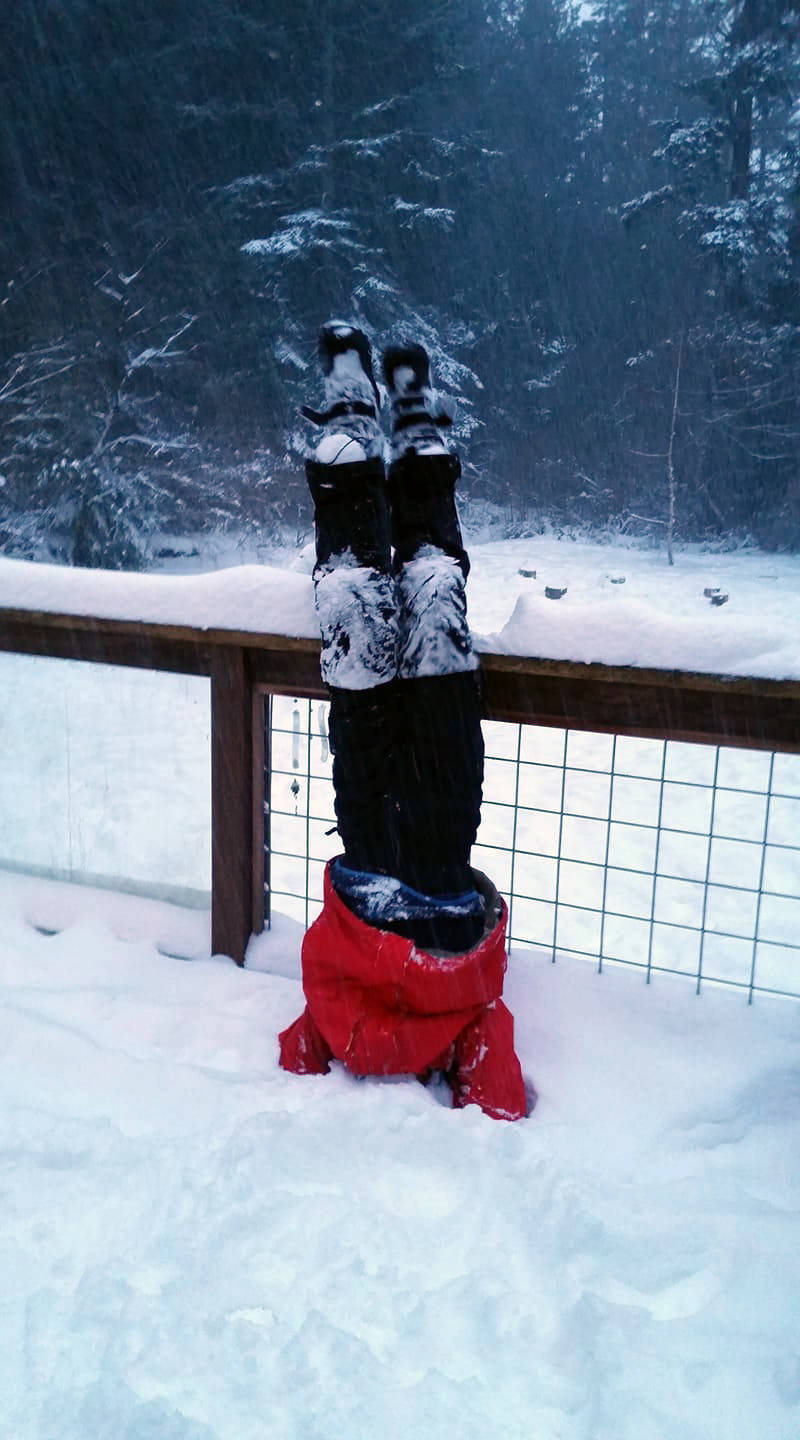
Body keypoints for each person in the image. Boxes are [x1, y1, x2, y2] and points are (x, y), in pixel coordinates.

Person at [279, 322, 529, 1122]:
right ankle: (359, 419)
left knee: (431, 595)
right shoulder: (343, 1023)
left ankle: (408, 425)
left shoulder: (448, 1027)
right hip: (376, 833)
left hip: (439, 835)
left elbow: (501, 1099)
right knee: (359, 603)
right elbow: (296, 1051)